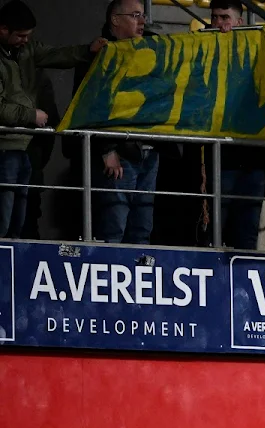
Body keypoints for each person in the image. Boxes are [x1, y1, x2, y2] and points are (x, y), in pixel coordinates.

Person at [0, 0, 104, 238]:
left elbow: (56, 54)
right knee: (4, 221)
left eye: (28, 36)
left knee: (19, 222)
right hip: (5, 149)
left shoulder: (26, 50)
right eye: (21, 35)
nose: (25, 40)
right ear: (3, 29)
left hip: (24, 146)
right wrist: (31, 115)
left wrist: (88, 51)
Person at [93, 0, 158, 245]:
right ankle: (109, 281)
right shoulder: (99, 52)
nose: (142, 22)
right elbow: (93, 105)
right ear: (115, 19)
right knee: (114, 226)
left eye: (143, 16)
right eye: (135, 15)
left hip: (150, 151)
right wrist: (107, 149)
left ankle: (139, 280)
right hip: (120, 152)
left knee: (142, 228)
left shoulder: (154, 47)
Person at [204, 0, 265, 250]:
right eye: (215, 17)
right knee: (214, 228)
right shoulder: (201, 46)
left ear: (239, 22)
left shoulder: (256, 46)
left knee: (247, 231)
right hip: (221, 155)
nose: (219, 24)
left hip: (253, 155)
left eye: (225, 18)